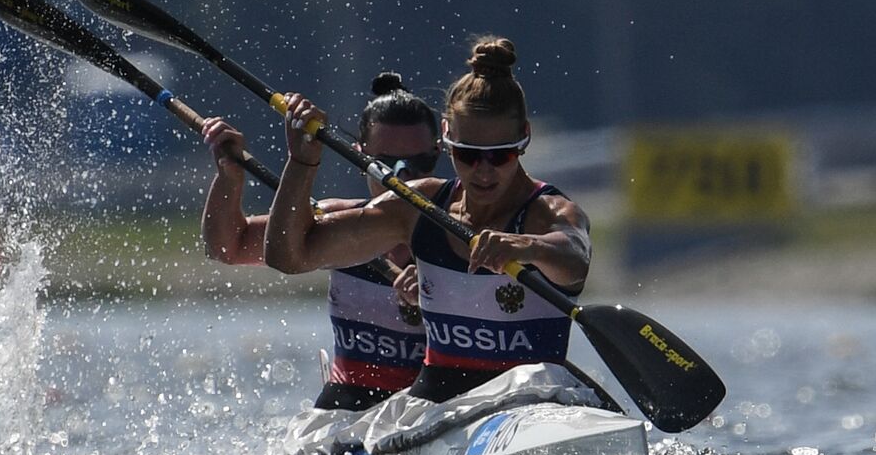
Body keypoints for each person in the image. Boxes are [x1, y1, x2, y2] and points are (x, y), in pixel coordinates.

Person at [264, 37, 591, 404]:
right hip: (438, 404)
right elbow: (289, 257)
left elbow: (574, 258)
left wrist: (526, 245)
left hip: (530, 399)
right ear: (447, 139)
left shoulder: (550, 212)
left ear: (524, 138)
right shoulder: (416, 205)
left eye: (500, 156)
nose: (484, 171)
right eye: (468, 155)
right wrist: (302, 163)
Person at [199, 73, 440, 411]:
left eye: (418, 164)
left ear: (440, 153)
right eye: (384, 164)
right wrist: (229, 177)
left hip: (433, 405)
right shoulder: (339, 224)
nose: (402, 179)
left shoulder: (462, 233)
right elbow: (228, 247)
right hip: (349, 403)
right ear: (359, 156)